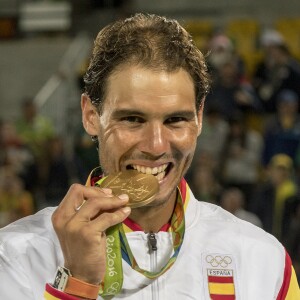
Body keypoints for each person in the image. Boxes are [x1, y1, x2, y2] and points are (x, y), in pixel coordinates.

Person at [0, 13, 299, 300]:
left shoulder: (261, 259)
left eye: (175, 120)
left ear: (199, 117)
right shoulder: (15, 256)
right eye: (132, 119)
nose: (156, 146)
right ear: (91, 116)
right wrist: (76, 286)